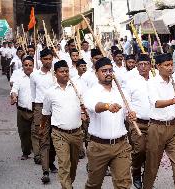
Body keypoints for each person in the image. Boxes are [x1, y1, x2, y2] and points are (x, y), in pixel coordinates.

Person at [84, 57, 136, 189]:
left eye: (110, 70)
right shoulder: (91, 92)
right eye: (104, 71)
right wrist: (107, 106)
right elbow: (95, 106)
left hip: (121, 145)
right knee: (94, 184)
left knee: (123, 184)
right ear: (96, 73)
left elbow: (126, 115)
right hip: (98, 146)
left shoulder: (121, 92)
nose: (108, 73)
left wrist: (131, 116)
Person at [143, 53, 175, 189]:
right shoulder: (152, 83)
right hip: (157, 128)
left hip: (174, 127)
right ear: (158, 66)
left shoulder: (173, 81)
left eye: (171, 65)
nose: (170, 68)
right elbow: (156, 103)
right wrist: (174, 101)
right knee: (152, 166)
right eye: (166, 65)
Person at [41, 60, 85, 189]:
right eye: (62, 71)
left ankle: (68, 184)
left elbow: (84, 106)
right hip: (59, 134)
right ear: (55, 74)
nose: (65, 74)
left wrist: (84, 112)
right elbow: (45, 113)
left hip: (77, 133)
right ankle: (66, 187)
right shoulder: (50, 92)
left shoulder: (77, 88)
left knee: (73, 164)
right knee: (64, 164)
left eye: (67, 71)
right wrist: (42, 128)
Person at [30, 48, 57, 184]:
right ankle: (45, 170)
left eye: (49, 59)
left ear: (52, 59)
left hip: (56, 108)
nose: (48, 61)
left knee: (55, 138)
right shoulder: (34, 75)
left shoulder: (56, 74)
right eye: (45, 59)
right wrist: (36, 112)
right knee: (43, 138)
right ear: (41, 60)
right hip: (41, 109)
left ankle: (51, 162)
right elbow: (33, 95)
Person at [124, 54, 152, 189]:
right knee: (139, 150)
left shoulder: (156, 81)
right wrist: (129, 113)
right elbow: (126, 102)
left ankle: (147, 179)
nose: (143, 66)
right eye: (140, 64)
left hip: (154, 123)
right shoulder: (131, 82)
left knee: (150, 152)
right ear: (136, 65)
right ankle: (135, 172)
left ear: (150, 65)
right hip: (137, 123)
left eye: (145, 64)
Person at [10, 56, 34, 160]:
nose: (28, 67)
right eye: (26, 65)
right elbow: (14, 90)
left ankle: (38, 155)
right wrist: (14, 96)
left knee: (36, 133)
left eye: (30, 65)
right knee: (23, 133)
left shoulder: (37, 77)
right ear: (23, 66)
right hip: (22, 110)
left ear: (33, 66)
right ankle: (26, 152)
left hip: (35, 111)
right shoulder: (19, 78)